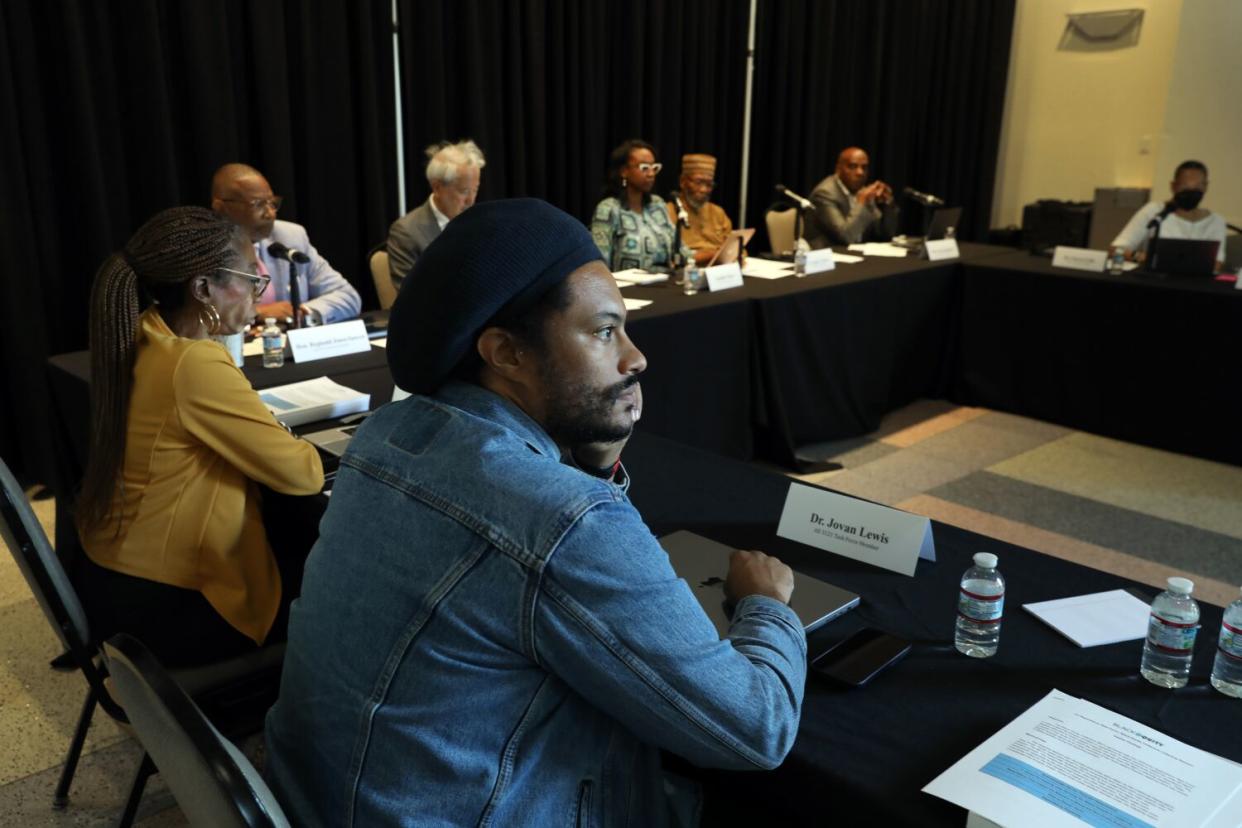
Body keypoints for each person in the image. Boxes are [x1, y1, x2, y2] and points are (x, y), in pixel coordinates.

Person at [266, 199, 805, 827]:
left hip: (323, 800)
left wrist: (596, 469)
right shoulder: (563, 520)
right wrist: (766, 607)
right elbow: (755, 732)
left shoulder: (385, 434)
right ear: (506, 354)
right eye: (605, 332)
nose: (636, 359)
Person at [75, 207, 323, 668]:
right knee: (343, 581)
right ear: (202, 288)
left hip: (117, 580)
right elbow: (303, 473)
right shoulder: (194, 364)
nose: (258, 291)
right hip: (172, 605)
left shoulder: (146, 332)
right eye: (251, 278)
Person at [211, 163, 361, 325]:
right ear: (221, 207)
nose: (271, 213)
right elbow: (198, 314)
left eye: (272, 203)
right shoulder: (204, 248)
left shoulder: (290, 236)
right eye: (258, 204)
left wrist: (301, 315)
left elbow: (348, 296)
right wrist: (259, 314)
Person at [387, 139, 486, 289]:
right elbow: (410, 297)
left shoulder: (481, 223)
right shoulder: (407, 233)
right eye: (464, 191)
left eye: (475, 190)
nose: (471, 200)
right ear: (437, 188)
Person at [591, 139, 692, 271]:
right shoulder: (608, 209)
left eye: (654, 168)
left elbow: (680, 249)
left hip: (665, 284)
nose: (651, 174)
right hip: (627, 288)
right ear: (624, 171)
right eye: (644, 168)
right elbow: (600, 262)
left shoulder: (658, 205)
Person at [1110, 160, 1228, 267]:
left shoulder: (1216, 221)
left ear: (1206, 187)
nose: (1191, 192)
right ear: (1173, 186)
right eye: (1185, 186)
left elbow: (1216, 263)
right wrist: (1144, 257)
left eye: (1198, 187)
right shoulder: (1155, 211)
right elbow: (1116, 249)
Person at [805, 146, 899, 248]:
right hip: (828, 255)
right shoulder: (825, 194)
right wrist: (861, 203)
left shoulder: (862, 190)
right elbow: (846, 236)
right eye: (853, 166)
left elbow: (885, 234)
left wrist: (887, 204)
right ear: (838, 169)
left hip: (858, 255)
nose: (860, 172)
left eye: (864, 167)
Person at [667, 153, 734, 266]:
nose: (704, 190)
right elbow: (668, 255)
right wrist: (709, 255)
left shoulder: (718, 212)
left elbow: (734, 246)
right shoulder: (667, 212)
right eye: (698, 183)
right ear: (683, 182)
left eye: (709, 184)